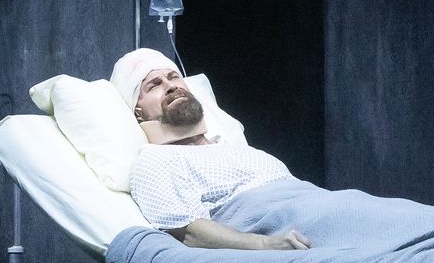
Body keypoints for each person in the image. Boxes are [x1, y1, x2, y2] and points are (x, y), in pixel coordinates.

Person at [110, 48, 315, 251]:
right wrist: (263, 243)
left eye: (173, 77)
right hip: (295, 235)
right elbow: (188, 232)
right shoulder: (155, 160)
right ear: (138, 114)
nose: (171, 86)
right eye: (153, 85)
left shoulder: (234, 148)